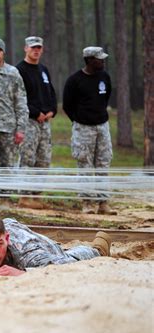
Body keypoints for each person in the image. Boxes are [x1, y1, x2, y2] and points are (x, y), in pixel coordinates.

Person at [63, 47, 116, 215]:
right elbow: (67, 105)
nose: (103, 61)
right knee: (84, 163)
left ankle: (103, 202)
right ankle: (87, 203)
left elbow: (106, 96)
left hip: (102, 126)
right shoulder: (75, 80)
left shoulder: (104, 77)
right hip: (83, 128)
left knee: (103, 163)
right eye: (99, 59)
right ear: (89, 60)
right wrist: (79, 120)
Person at [16, 36, 57, 209]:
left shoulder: (43, 69)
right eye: (33, 47)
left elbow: (51, 93)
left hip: (45, 123)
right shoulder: (19, 70)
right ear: (25, 48)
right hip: (29, 121)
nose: (36, 50)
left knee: (44, 159)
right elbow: (19, 96)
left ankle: (37, 195)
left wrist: (51, 110)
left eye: (39, 48)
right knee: (28, 158)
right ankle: (24, 197)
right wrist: (35, 112)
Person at [0, 38, 28, 169]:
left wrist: (21, 129)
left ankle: (6, 190)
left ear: (4, 52)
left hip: (8, 126)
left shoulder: (13, 73)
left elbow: (20, 101)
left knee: (8, 164)